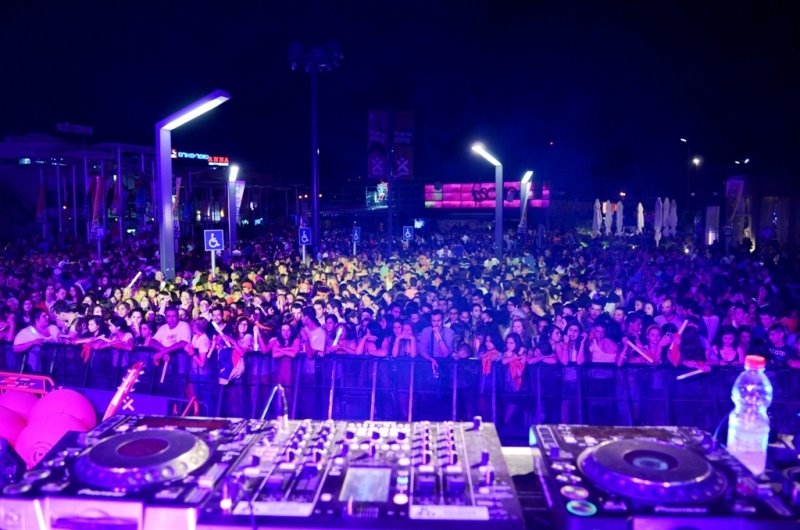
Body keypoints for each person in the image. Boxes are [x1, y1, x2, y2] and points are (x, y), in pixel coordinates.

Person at [12, 308, 60, 373]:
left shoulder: (53, 328)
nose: (47, 317)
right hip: (37, 369)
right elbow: (15, 348)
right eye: (44, 316)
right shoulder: (26, 332)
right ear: (37, 320)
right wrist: (32, 343)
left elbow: (61, 342)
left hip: (56, 366)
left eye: (47, 315)